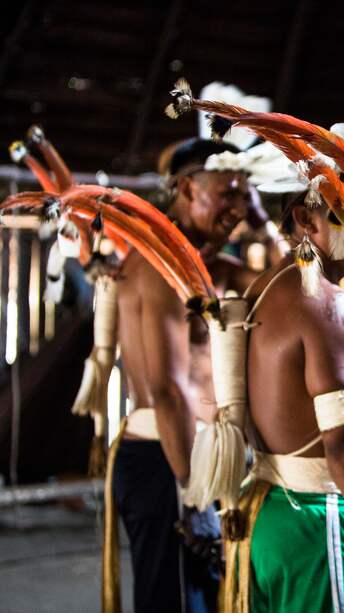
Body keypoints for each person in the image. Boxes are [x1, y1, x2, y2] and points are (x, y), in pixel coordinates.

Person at [224, 192, 344, 613]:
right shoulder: (328, 304)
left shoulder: (265, 287)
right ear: (307, 220)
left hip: (271, 515)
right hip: (320, 524)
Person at [108, 137, 255, 613]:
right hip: (169, 461)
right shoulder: (160, 267)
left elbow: (288, 287)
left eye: (246, 195)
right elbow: (168, 389)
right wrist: (193, 496)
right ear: (188, 189)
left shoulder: (206, 266)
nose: (239, 208)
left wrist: (260, 219)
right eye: (228, 193)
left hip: (192, 460)